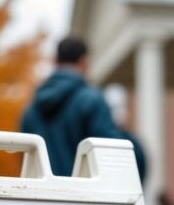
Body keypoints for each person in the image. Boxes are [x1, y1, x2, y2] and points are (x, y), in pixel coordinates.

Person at [20, 37, 144, 177]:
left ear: (55, 61)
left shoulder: (30, 110)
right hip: (81, 195)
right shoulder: (92, 100)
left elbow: (24, 159)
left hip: (41, 194)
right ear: (84, 61)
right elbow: (112, 152)